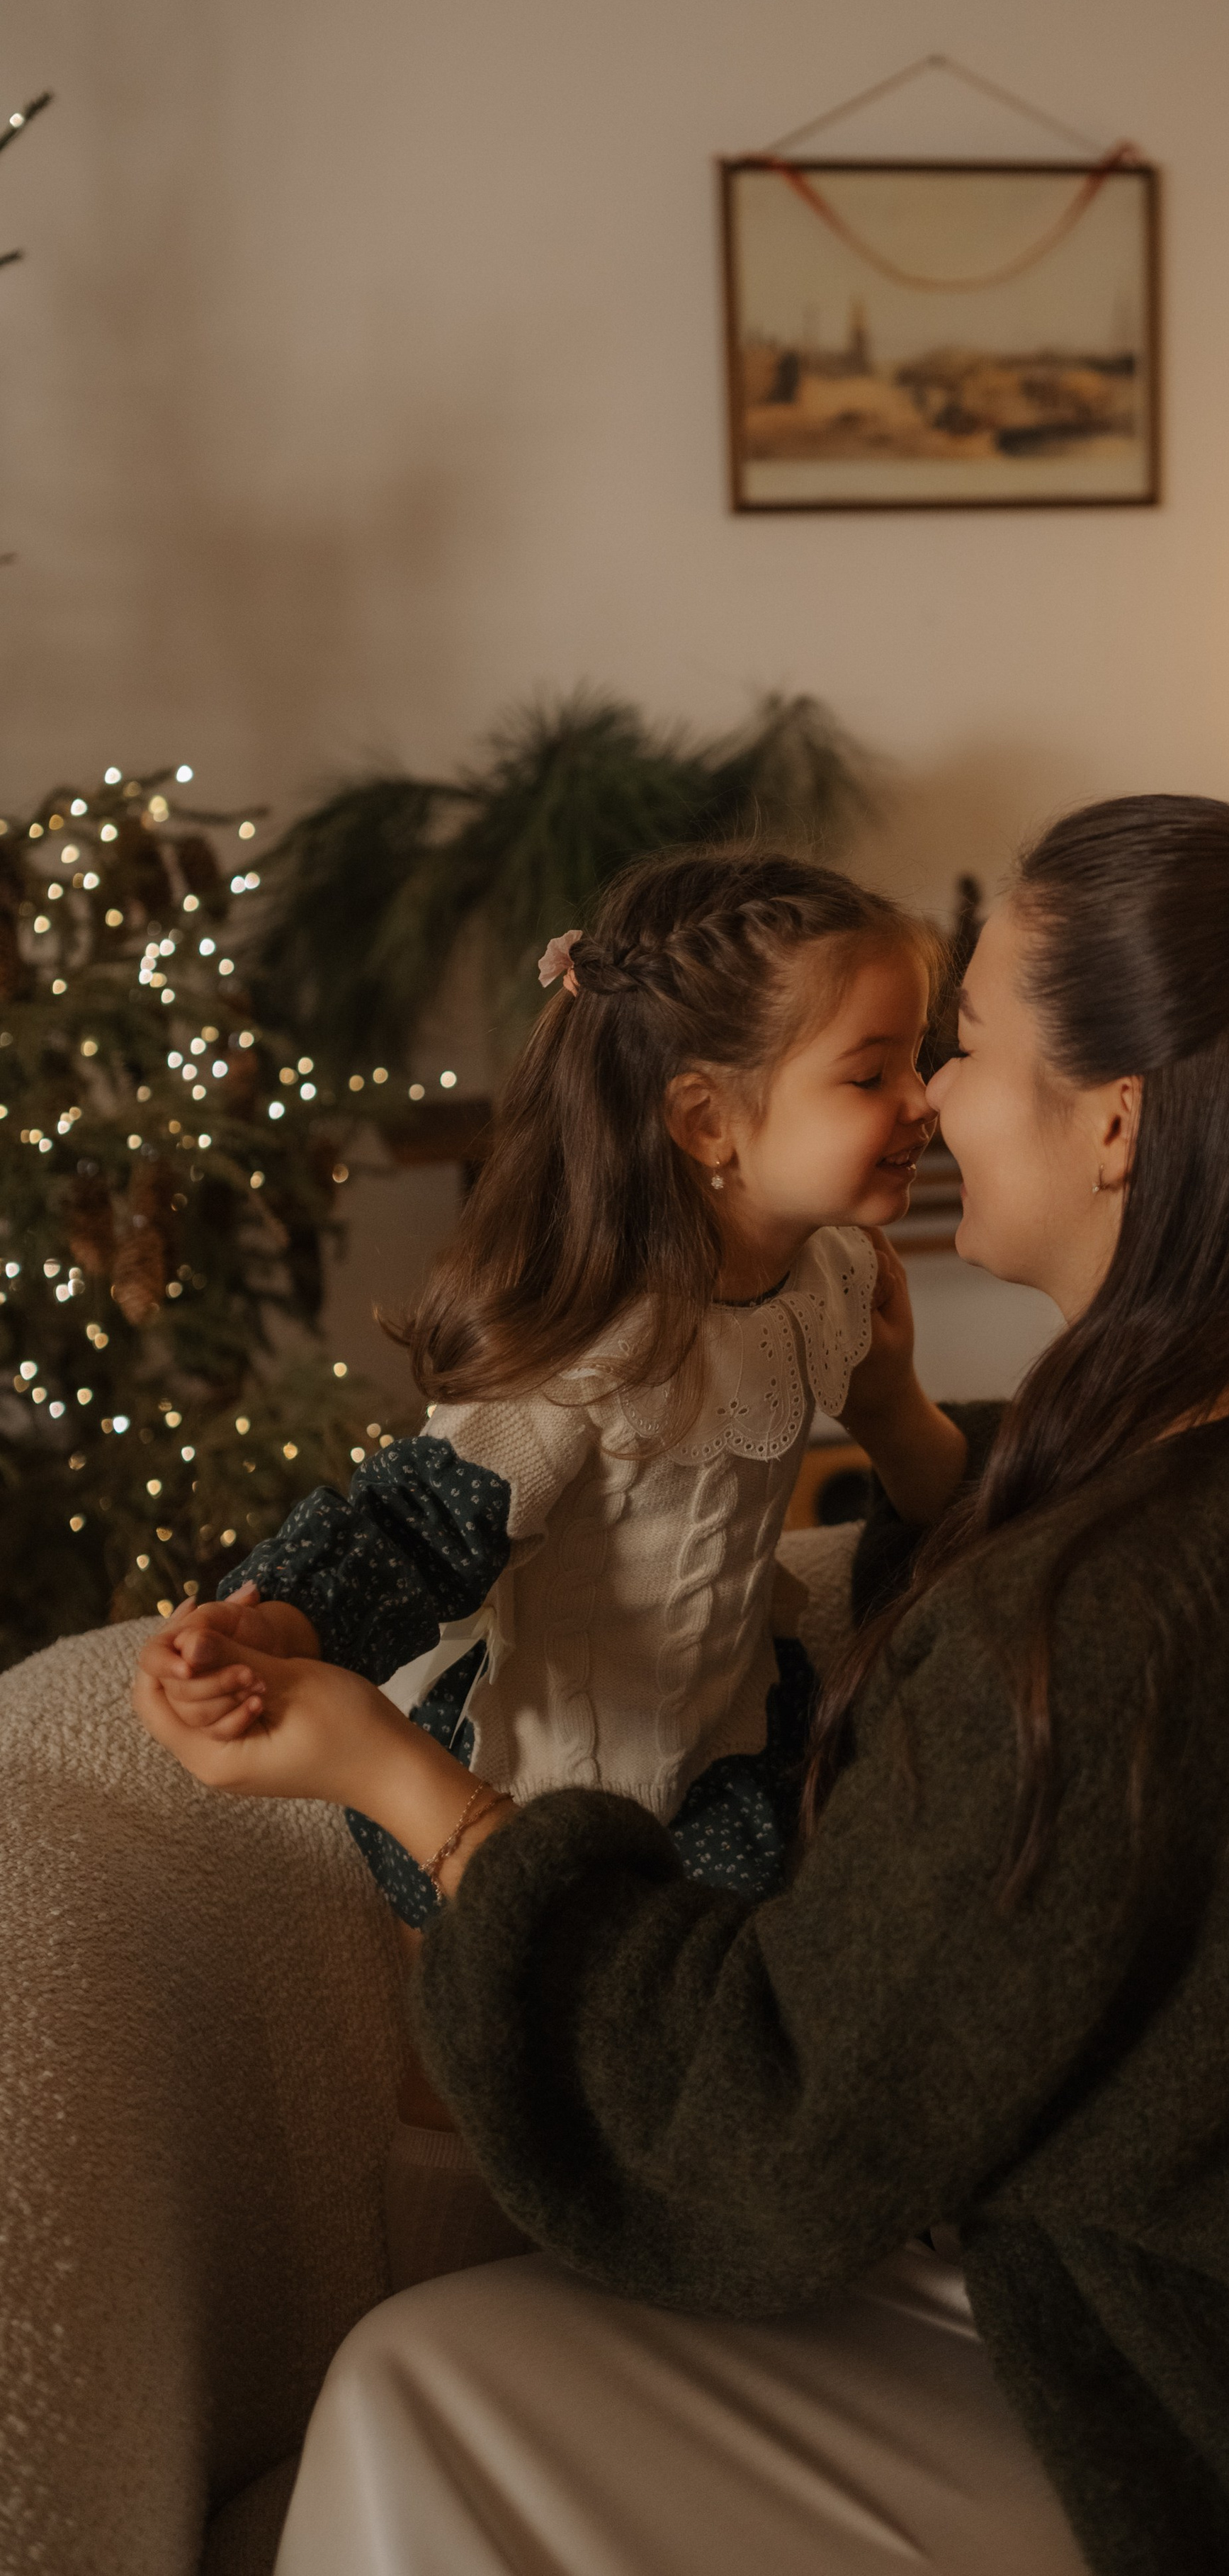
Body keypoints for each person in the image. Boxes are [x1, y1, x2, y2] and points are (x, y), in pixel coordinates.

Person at [135, 794, 1229, 2575]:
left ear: (1117, 1121)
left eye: (960, 1049)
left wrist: (398, 1781)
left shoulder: (1113, 1599)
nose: (932, 1107)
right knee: (420, 2382)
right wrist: (903, 1430)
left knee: (415, 2385)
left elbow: (765, 2126)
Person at [137, 847, 964, 2285]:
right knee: (477, 2058)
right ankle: (455, 2287)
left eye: (925, 1061)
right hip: (540, 1761)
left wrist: (896, 1406)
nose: (923, 1103)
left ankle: (707, 2265)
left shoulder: (833, 1278)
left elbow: (924, 1476)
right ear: (705, 1119)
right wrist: (269, 1619)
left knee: (757, 2004)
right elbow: (416, 1522)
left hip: (724, 1732)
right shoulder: (595, 1343)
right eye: (872, 1073)